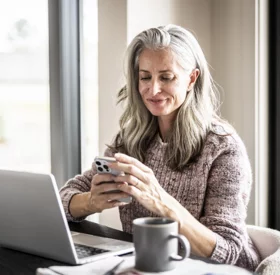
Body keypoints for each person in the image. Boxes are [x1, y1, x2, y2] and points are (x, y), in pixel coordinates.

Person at [59, 24, 260, 271]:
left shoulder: (223, 149)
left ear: (191, 79)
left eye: (166, 77)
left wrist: (161, 202)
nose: (153, 90)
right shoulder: (131, 139)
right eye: (145, 77)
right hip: (149, 266)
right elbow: (64, 198)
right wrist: (91, 201)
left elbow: (227, 251)